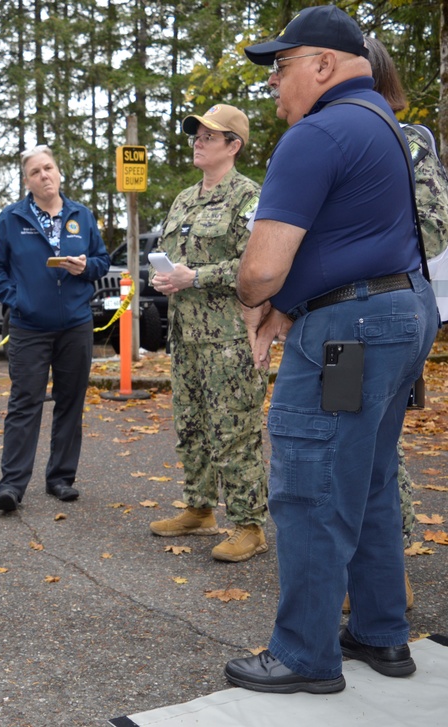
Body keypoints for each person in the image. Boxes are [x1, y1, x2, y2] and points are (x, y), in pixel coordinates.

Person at [224, 6, 438, 694]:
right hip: (399, 316)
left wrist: (256, 299)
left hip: (347, 335)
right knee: (369, 477)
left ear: (322, 65)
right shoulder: (381, 126)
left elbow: (260, 267)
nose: (275, 84)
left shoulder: (317, 134)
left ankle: (304, 653)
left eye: (280, 67)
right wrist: (288, 301)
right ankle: (381, 634)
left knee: (312, 484)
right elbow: (351, 243)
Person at [339, 36, 448, 614]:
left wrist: (351, 253)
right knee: (341, 438)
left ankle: (386, 572)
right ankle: (356, 570)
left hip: (384, 318)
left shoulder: (407, 143)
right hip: (332, 328)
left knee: (380, 449)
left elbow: (433, 224)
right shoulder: (325, 140)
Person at [147, 105, 269, 562]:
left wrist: (194, 277)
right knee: (192, 428)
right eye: (196, 134)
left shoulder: (251, 199)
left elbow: (254, 265)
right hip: (186, 337)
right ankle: (199, 509)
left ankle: (249, 525)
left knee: (234, 431)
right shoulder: (184, 199)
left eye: (209, 136)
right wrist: (167, 278)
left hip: (229, 339)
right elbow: (174, 259)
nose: (198, 140)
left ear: (233, 146)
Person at [0, 145, 110, 511]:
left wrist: (86, 267)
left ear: (59, 173)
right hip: (29, 326)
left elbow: (103, 260)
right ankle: (12, 485)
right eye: (36, 172)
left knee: (70, 402)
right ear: (27, 181)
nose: (44, 175)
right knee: (25, 404)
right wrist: (16, 298)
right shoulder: (12, 218)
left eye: (49, 168)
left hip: (76, 325)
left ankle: (60, 478)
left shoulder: (80, 216)